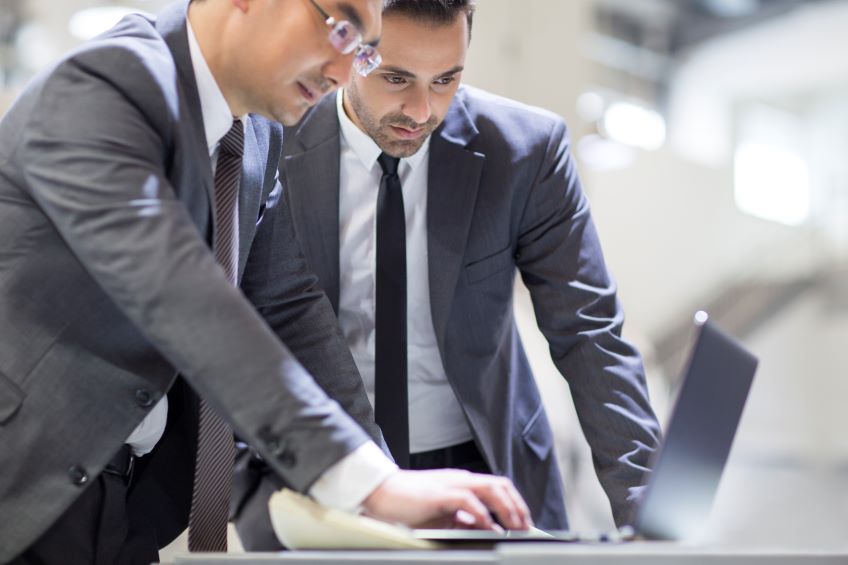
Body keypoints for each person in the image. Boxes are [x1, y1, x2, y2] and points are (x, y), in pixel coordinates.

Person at [0, 0, 532, 563]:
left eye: (363, 49)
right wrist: (363, 482)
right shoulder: (110, 85)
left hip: (113, 498)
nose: (344, 69)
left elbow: (287, 306)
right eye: (342, 28)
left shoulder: (254, 134)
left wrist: (380, 481)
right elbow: (183, 298)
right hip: (22, 484)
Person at [233, 0, 662, 549]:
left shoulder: (526, 152)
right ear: (349, 51)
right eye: (396, 77)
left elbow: (589, 334)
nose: (421, 108)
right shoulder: (272, 137)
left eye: (446, 79)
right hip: (323, 467)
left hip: (483, 469)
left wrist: (648, 515)